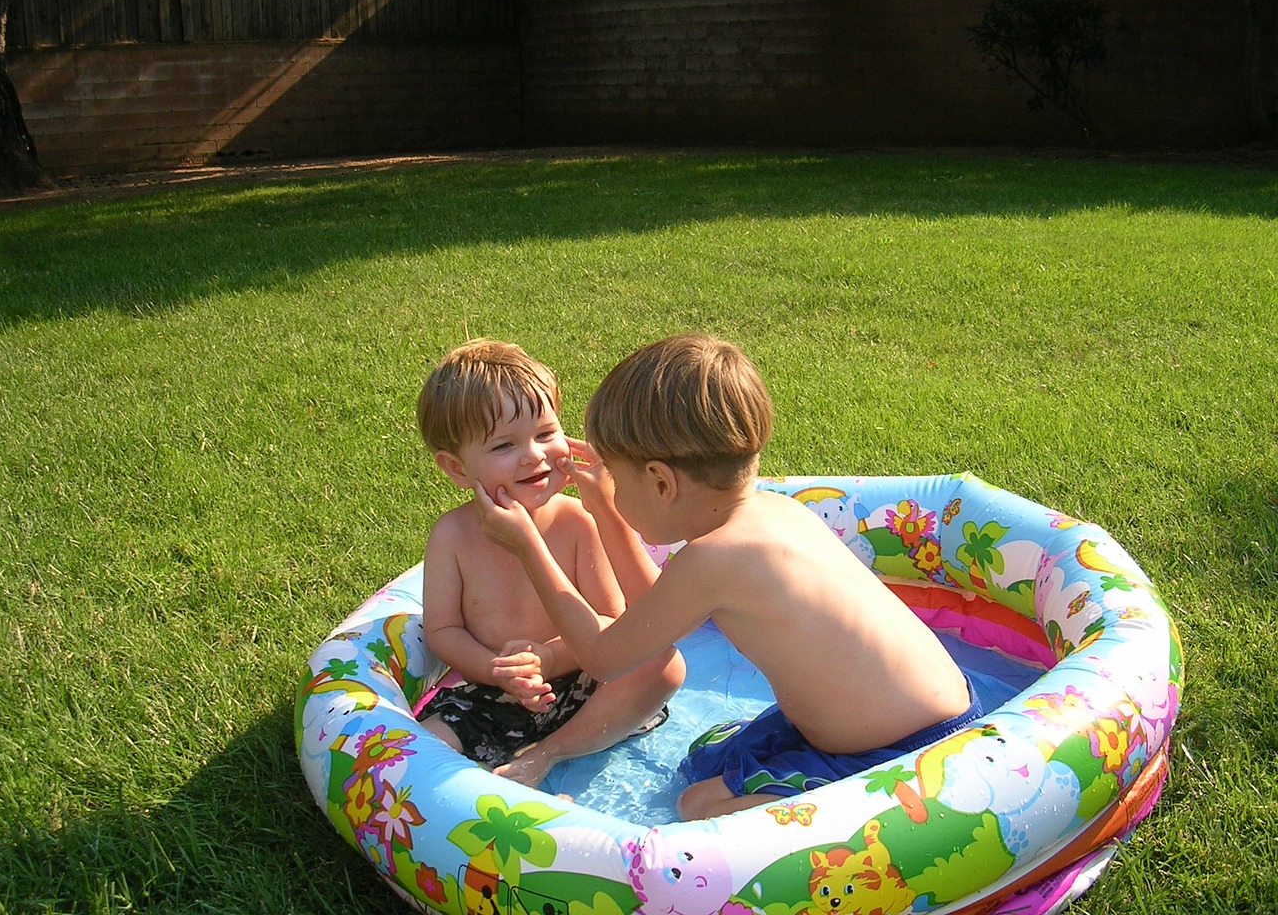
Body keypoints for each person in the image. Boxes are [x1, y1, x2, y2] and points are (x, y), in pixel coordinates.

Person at [474, 333, 983, 819]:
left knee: (696, 807)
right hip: (937, 711)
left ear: (660, 482)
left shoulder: (716, 558)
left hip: (906, 755)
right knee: (705, 759)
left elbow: (605, 659)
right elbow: (656, 613)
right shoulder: (771, 514)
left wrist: (529, 546)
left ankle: (887, 812)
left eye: (616, 479)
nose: (611, 489)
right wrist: (607, 510)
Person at [415, 338, 685, 788]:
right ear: (457, 469)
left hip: (585, 686)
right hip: (493, 693)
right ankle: (498, 784)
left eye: (545, 434)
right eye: (504, 446)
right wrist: (496, 670)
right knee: (423, 751)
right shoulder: (452, 536)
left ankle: (548, 754)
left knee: (663, 666)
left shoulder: (577, 522)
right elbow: (444, 631)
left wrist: (548, 656)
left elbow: (613, 623)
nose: (534, 455)